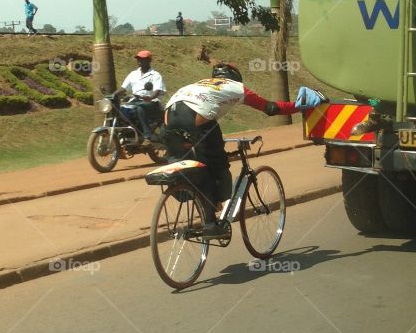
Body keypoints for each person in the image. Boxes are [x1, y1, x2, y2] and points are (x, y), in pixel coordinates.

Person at [162, 63, 308, 234]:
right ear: (236, 78)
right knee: (216, 167)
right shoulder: (237, 88)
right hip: (196, 121)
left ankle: (187, 190)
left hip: (168, 122)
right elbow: (271, 108)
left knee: (186, 165)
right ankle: (210, 224)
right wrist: (299, 106)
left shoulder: (200, 84)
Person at [119, 49, 166, 138]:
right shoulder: (133, 74)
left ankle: (147, 136)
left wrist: (150, 97)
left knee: (140, 108)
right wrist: (112, 95)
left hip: (151, 102)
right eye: (138, 59)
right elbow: (123, 88)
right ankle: (125, 131)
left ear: (149, 60)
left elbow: (157, 91)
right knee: (121, 109)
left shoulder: (155, 75)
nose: (139, 61)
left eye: (142, 59)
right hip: (135, 100)